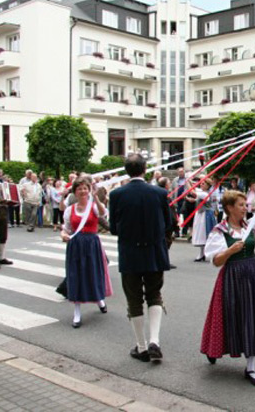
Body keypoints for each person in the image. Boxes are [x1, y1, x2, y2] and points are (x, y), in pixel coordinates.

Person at [201, 190, 255, 386]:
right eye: (241, 205)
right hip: (231, 277)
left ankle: (251, 366)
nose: (245, 208)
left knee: (254, 316)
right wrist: (230, 251)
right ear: (229, 208)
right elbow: (216, 261)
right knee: (229, 316)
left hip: (252, 275)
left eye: (246, 205)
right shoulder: (219, 231)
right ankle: (213, 349)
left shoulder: (249, 226)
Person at [109, 154, 171, 363]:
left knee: (134, 299)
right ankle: (155, 341)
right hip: (154, 251)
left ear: (127, 170)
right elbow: (169, 224)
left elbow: (113, 228)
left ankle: (142, 346)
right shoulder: (160, 193)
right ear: (145, 169)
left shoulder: (116, 194)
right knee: (154, 294)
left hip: (130, 252)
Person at [60, 176, 112, 328]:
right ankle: (77, 311)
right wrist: (63, 235)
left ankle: (99, 299)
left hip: (91, 244)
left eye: (85, 188)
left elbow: (103, 213)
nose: (82, 191)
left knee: (93, 273)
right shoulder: (70, 210)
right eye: (79, 189)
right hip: (76, 246)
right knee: (76, 276)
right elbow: (67, 228)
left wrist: (95, 197)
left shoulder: (94, 206)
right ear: (75, 192)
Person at [190, 179, 217, 262]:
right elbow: (193, 189)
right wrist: (189, 180)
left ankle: (206, 253)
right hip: (201, 214)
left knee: (204, 233)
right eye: (201, 183)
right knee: (201, 234)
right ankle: (202, 253)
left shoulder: (205, 193)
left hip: (205, 215)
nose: (201, 185)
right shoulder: (202, 192)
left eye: (203, 184)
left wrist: (187, 182)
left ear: (207, 186)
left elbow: (193, 192)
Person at [157, 177, 178, 270]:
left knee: (166, 243)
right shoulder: (164, 196)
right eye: (169, 182)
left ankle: (163, 261)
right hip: (166, 224)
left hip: (164, 223)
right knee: (166, 243)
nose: (170, 184)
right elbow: (169, 212)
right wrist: (174, 223)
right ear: (166, 185)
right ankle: (164, 262)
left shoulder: (160, 195)